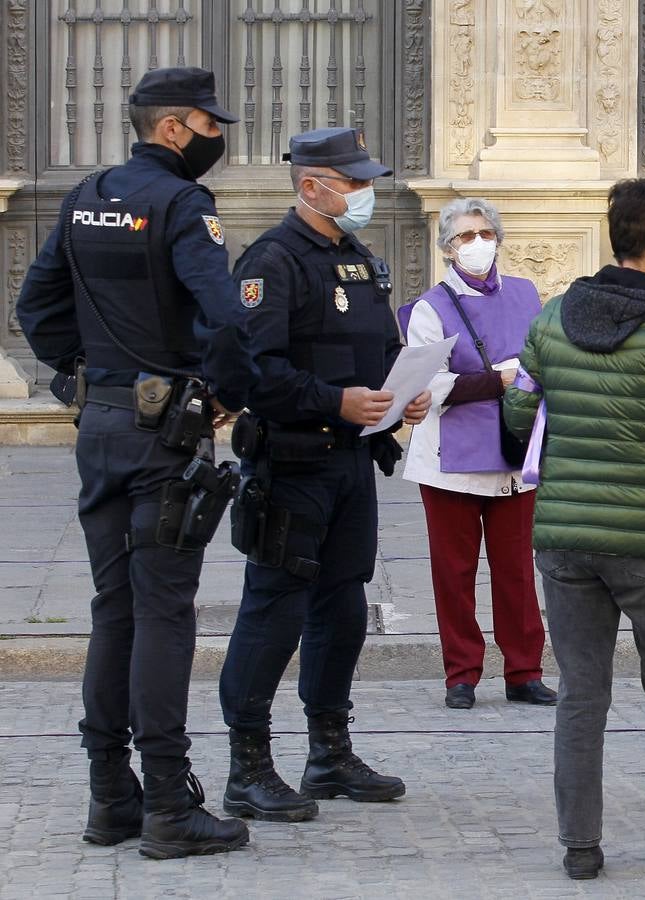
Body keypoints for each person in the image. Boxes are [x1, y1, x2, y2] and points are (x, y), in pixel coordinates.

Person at [15, 67, 257, 859]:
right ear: (175, 128)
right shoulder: (182, 204)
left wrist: (76, 379)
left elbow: (36, 305)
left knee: (112, 609)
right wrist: (224, 395)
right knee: (163, 612)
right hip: (166, 440)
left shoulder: (86, 194)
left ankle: (108, 796)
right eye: (210, 124)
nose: (220, 138)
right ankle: (166, 806)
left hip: (105, 426)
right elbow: (225, 317)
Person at [504, 178, 645, 880]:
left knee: (580, 691)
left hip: (566, 534)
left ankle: (580, 846)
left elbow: (518, 418)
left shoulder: (551, 319)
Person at [217, 127, 430, 824]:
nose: (366, 194)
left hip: (350, 460)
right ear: (313, 186)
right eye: (355, 182)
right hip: (291, 462)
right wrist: (332, 399)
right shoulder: (273, 261)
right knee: (273, 608)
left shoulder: (360, 258)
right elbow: (256, 371)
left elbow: (383, 348)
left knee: (341, 607)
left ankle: (329, 751)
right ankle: (247, 766)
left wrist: (405, 392)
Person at [398, 197, 555, 711]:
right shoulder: (429, 308)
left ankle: (525, 671)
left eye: (485, 233)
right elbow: (426, 385)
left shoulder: (528, 294)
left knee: (516, 571)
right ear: (447, 246)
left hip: (514, 453)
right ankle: (461, 674)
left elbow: (544, 357)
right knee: (454, 571)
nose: (478, 243)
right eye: (466, 236)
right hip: (450, 461)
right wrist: (498, 378)